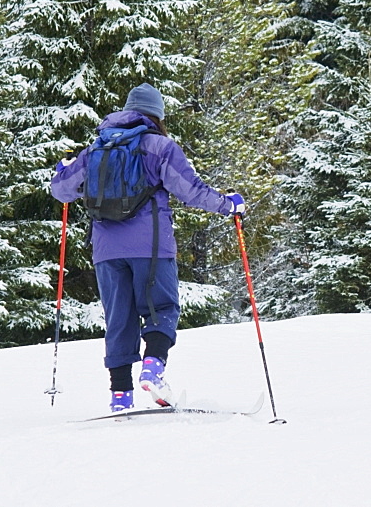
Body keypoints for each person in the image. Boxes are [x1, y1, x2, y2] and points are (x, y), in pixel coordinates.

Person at [50, 83, 245, 412]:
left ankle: (120, 397)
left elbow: (61, 191)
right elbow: (190, 190)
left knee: (119, 320)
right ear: (157, 114)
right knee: (162, 308)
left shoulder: (96, 149)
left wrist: (62, 172)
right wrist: (228, 205)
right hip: (151, 246)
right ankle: (153, 370)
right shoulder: (159, 146)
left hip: (106, 251)